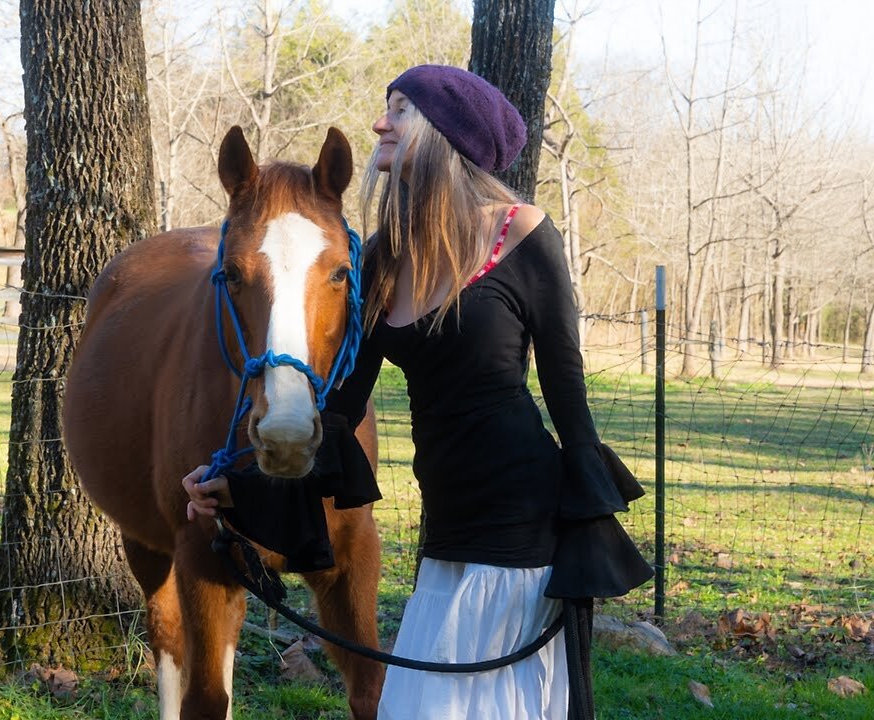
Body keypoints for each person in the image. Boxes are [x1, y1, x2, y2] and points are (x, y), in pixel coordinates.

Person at [184, 64, 652, 720]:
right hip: (447, 532)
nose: (380, 121)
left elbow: (567, 394)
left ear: (442, 133)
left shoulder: (520, 231)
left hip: (524, 525)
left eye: (399, 109)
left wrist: (585, 532)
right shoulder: (383, 258)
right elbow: (340, 413)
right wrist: (241, 483)